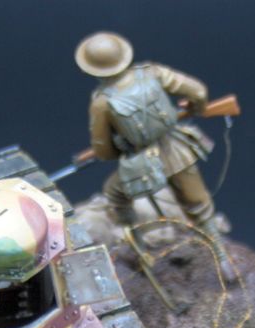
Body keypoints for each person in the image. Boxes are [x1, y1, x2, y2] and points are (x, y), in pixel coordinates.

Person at [75, 31, 236, 281]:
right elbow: (198, 92)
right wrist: (196, 109)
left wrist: (121, 146)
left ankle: (139, 248)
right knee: (199, 205)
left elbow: (104, 151)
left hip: (141, 163)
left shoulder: (101, 102)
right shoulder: (152, 72)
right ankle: (222, 257)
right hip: (177, 149)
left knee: (114, 195)